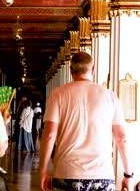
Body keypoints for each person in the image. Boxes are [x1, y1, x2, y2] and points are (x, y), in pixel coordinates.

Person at [40, 52, 133, 191]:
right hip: (102, 176)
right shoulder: (110, 96)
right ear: (93, 69)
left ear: (71, 70)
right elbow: (122, 138)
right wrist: (128, 175)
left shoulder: (58, 94)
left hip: (67, 174)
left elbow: (49, 135)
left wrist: (43, 170)